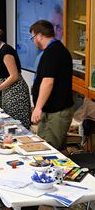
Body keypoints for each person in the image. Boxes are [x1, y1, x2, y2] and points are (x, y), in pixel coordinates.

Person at [29, 20, 74, 151]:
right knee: (55, 148)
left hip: (56, 112)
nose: (33, 41)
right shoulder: (54, 50)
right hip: (51, 110)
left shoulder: (53, 52)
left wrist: (37, 108)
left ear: (39, 35)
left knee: (48, 151)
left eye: (33, 37)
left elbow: (48, 82)